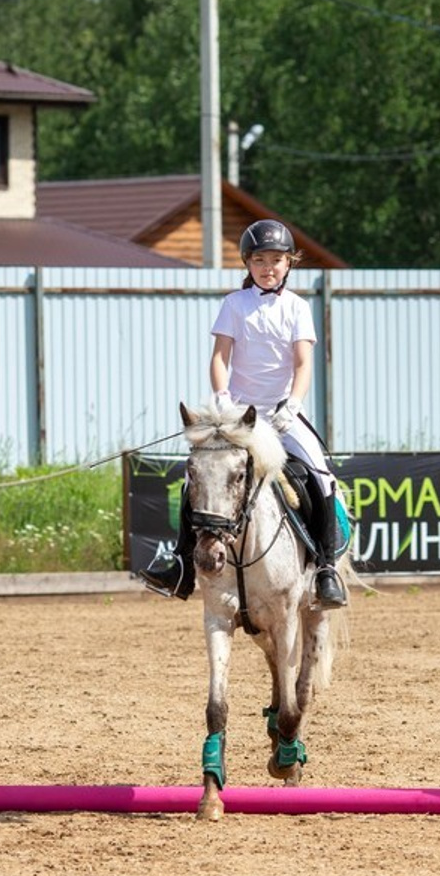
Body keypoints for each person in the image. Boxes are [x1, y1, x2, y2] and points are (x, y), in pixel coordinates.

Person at [137, 218, 348, 608]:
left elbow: (303, 364)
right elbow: (220, 357)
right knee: (194, 482)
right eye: (260, 260)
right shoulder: (234, 305)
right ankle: (181, 565)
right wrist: (221, 397)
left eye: (277, 260)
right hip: (238, 419)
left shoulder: (298, 308)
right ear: (248, 264)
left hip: (283, 414)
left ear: (290, 264)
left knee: (323, 478)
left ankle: (325, 569)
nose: (269, 267)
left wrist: (294, 403)